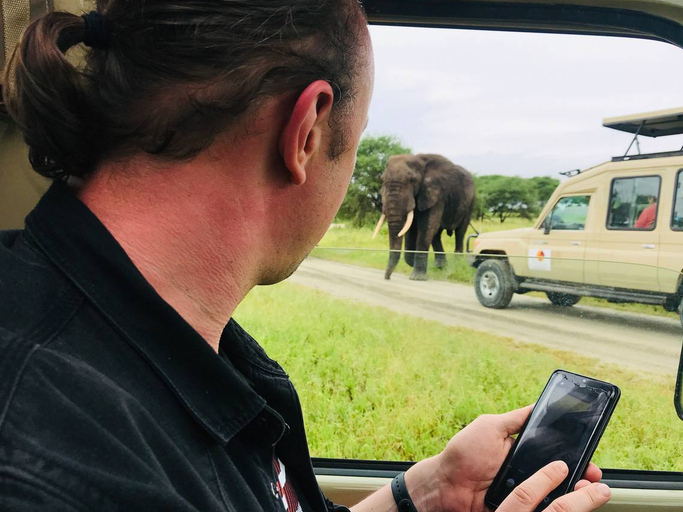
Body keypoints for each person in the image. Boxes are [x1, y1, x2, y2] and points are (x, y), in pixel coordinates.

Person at [0, 2, 611, 511]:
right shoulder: (51, 468)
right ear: (308, 131)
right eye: (358, 137)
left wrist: (423, 491)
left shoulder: (175, 339)